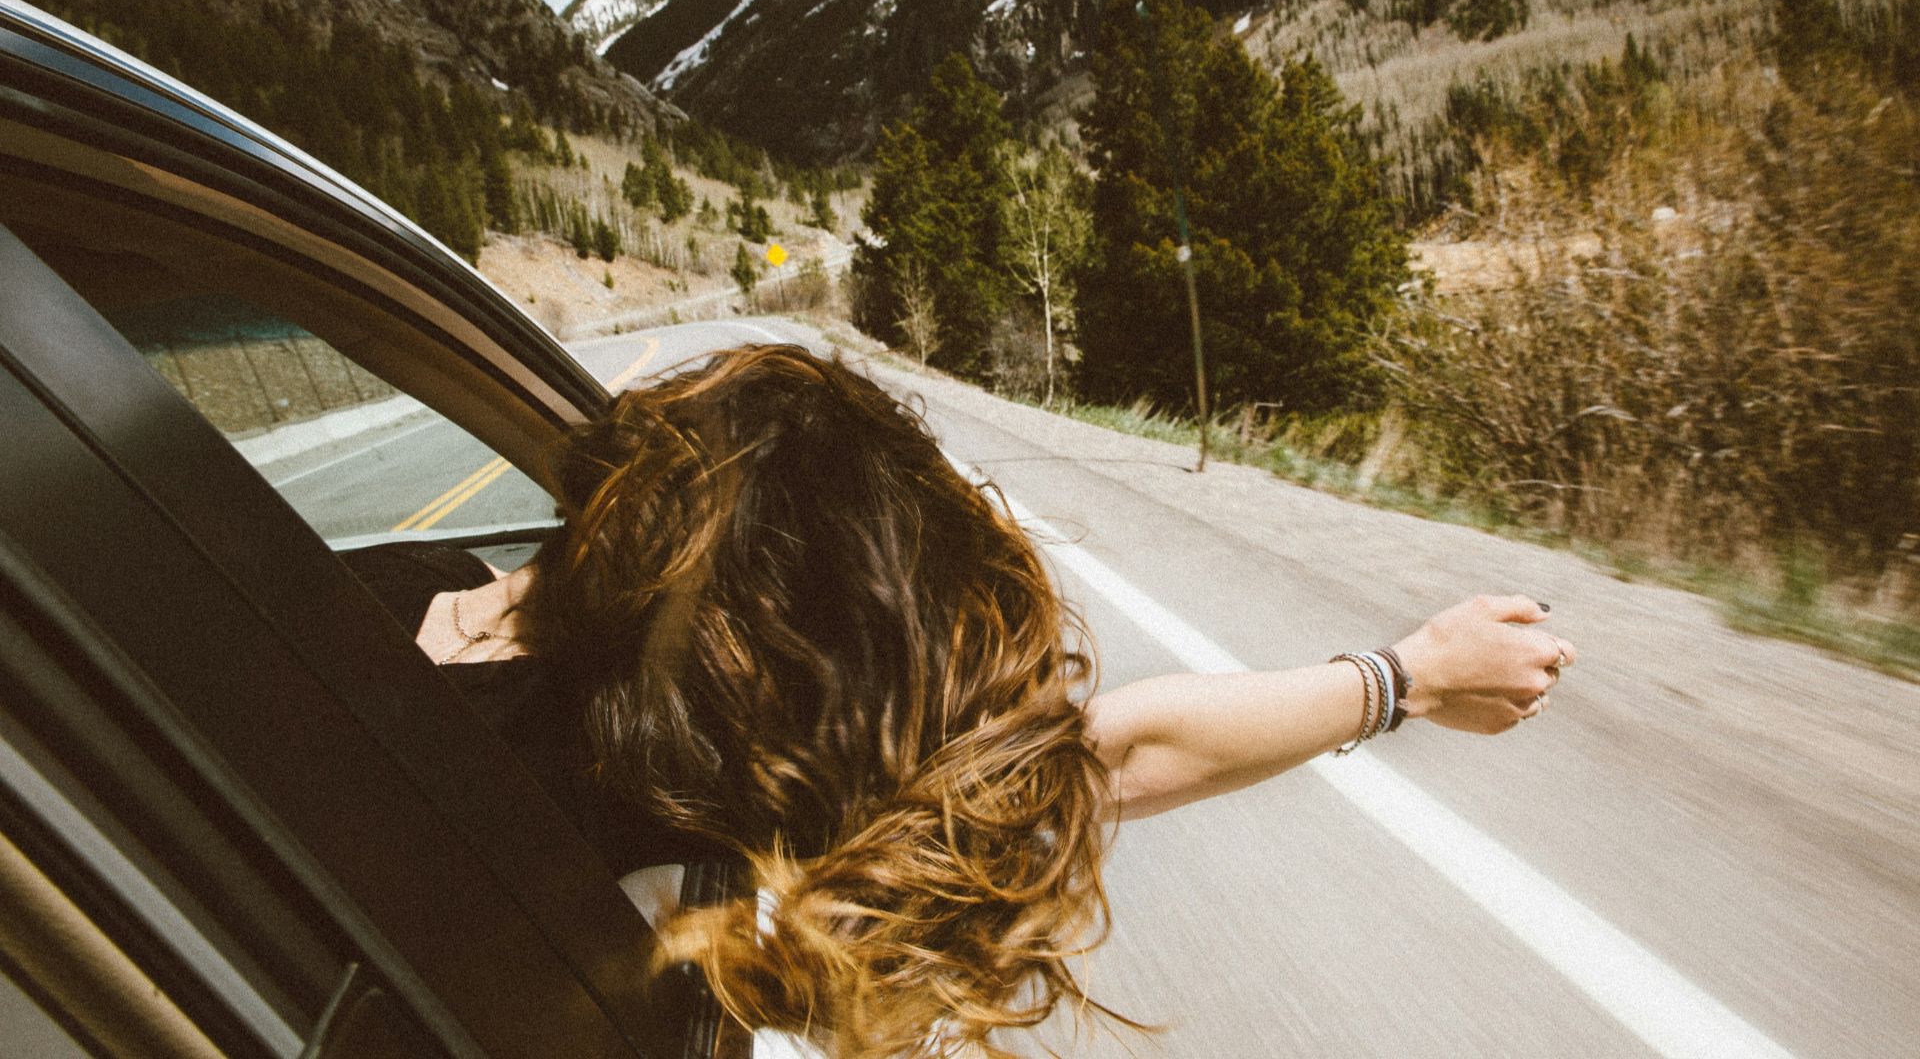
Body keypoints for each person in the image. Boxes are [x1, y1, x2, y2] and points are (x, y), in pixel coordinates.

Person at [350, 344, 1575, 1058]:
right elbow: (1115, 751)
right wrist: (1403, 680)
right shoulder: (673, 792)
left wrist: (1406, 679)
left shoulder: (353, 594)